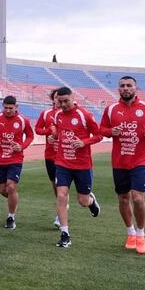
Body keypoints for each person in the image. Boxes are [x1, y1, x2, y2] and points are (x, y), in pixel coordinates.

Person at [99, 76, 145, 254]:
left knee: (137, 197)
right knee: (123, 198)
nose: (126, 88)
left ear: (136, 88)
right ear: (118, 89)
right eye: (122, 86)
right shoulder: (111, 109)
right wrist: (110, 132)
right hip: (119, 161)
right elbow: (102, 128)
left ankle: (141, 234)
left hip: (141, 159)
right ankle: (130, 233)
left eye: (129, 85)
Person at [47, 87, 103, 248]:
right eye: (60, 101)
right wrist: (54, 136)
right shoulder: (57, 115)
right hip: (62, 163)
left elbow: (99, 135)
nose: (63, 104)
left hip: (82, 164)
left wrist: (83, 142)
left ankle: (91, 201)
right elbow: (59, 132)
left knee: (82, 201)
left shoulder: (84, 115)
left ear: (73, 99)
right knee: (61, 195)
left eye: (66, 101)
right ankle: (65, 234)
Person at [0, 96, 34, 229]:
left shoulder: (23, 120)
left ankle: (10, 217)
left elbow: (30, 135)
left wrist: (22, 146)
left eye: (10, 108)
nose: (7, 110)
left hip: (15, 159)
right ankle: (14, 200)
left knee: (11, 186)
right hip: (0, 159)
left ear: (16, 107)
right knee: (3, 190)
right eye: (5, 108)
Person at [34, 89, 62, 228]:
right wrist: (48, 131)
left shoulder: (68, 113)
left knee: (61, 185)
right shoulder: (46, 114)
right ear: (53, 99)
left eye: (61, 97)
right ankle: (62, 204)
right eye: (56, 97)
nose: (59, 100)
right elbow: (37, 129)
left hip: (65, 156)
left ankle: (60, 214)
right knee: (54, 184)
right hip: (50, 155)